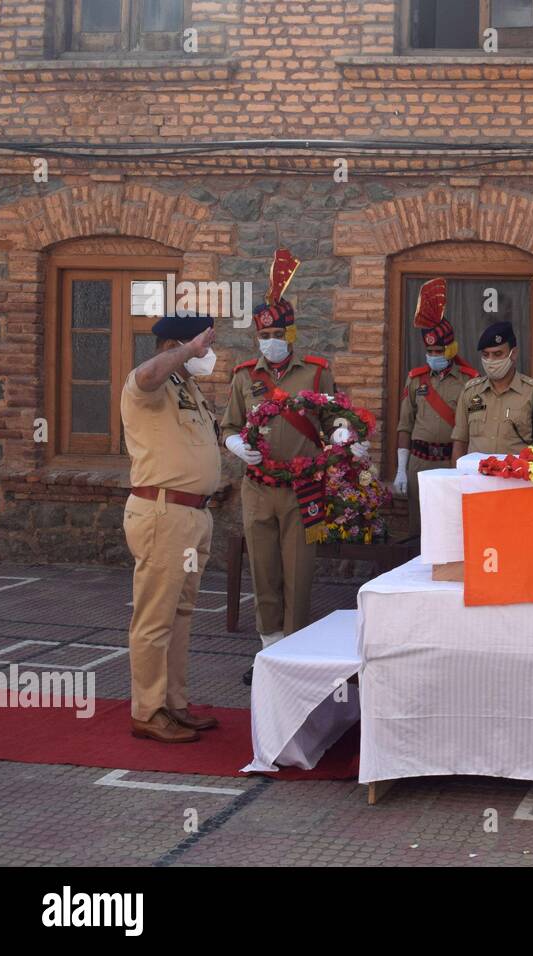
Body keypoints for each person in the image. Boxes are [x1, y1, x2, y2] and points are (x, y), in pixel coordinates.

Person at [221, 250, 366, 684]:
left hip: (304, 488)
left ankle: (298, 653)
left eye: (277, 333)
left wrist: (342, 432)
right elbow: (228, 422)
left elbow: (335, 415)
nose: (271, 341)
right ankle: (270, 652)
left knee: (299, 573)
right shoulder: (245, 377)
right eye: (264, 335)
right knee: (264, 572)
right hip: (258, 487)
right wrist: (232, 443)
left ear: (292, 333)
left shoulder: (316, 373)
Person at [120, 313, 221, 743]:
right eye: (203, 344)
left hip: (192, 518)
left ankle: (174, 703)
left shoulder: (187, 387)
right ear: (177, 345)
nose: (208, 354)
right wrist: (187, 352)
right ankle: (147, 710)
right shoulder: (151, 381)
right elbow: (145, 374)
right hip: (163, 514)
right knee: (155, 616)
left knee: (179, 613)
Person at [393, 279, 477, 529]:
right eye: (430, 352)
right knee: (420, 528)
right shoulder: (415, 379)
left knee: (452, 526)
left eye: (439, 351)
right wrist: (400, 469)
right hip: (420, 462)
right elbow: (404, 426)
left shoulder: (469, 381)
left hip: (452, 460)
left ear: (450, 350)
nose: (434, 357)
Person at [451, 320, 533, 460]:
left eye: (497, 354)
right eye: (485, 355)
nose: (491, 361)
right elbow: (460, 442)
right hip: (475, 478)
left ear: (513, 354)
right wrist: (459, 478)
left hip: (516, 478)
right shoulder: (470, 391)